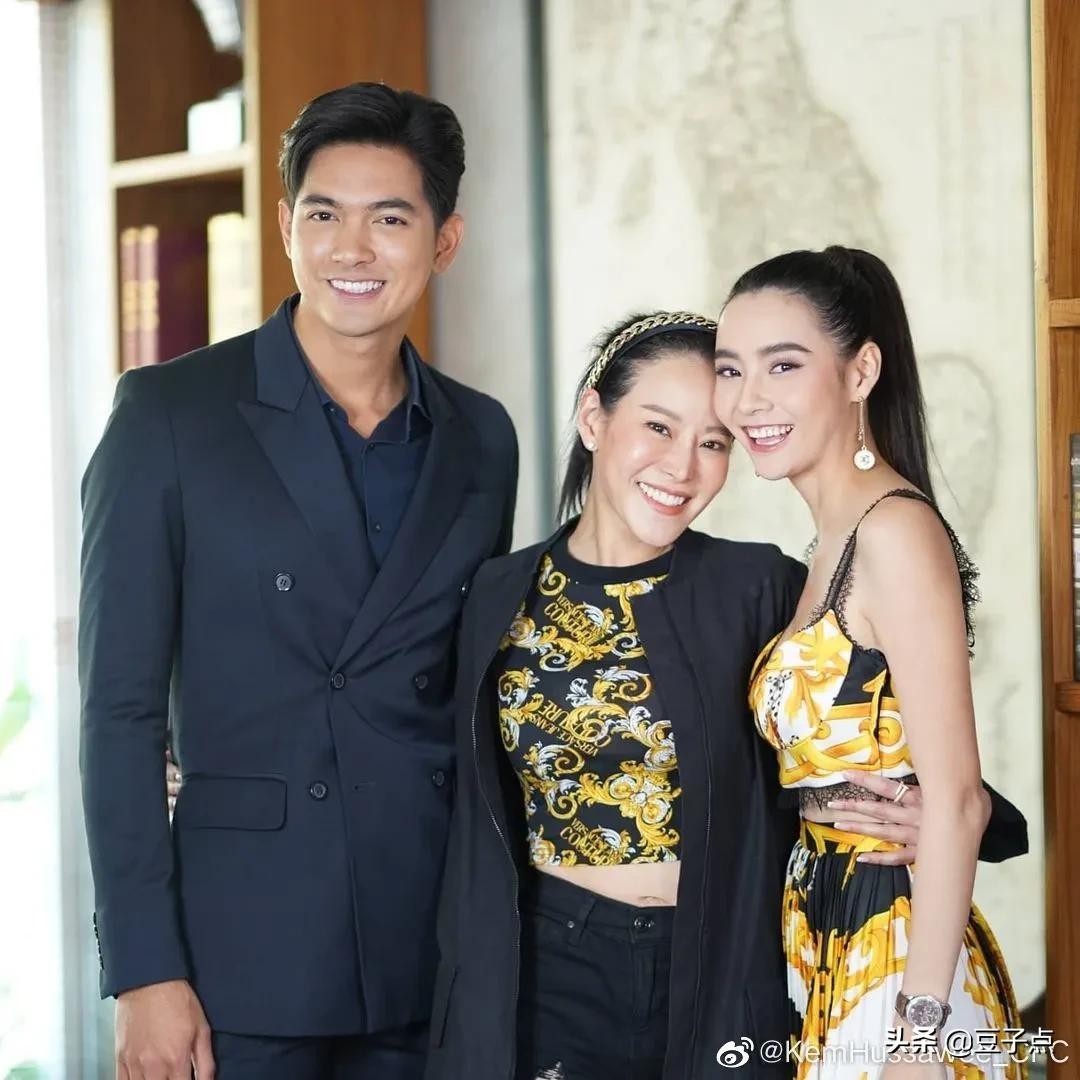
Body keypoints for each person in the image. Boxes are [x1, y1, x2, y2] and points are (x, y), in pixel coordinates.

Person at [424, 311, 1026, 1080]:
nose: (683, 467)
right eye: (658, 427)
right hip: (549, 972)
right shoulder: (497, 593)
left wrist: (950, 814)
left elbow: (869, 724)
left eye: (714, 442)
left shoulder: (755, 586)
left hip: (725, 964)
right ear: (593, 419)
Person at [79, 82, 517, 1080]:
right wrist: (144, 971)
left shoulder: (482, 437)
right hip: (234, 956)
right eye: (324, 215)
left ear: (445, 241)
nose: (351, 250)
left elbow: (469, 691)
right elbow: (119, 713)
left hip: (427, 945)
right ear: (284, 228)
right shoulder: (168, 416)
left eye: (389, 219)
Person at [713, 246, 1024, 1078]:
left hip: (896, 950)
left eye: (783, 365)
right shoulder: (831, 543)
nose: (748, 399)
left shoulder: (893, 532)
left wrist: (917, 1040)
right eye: (730, 369)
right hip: (828, 929)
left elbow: (958, 798)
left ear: (861, 372)